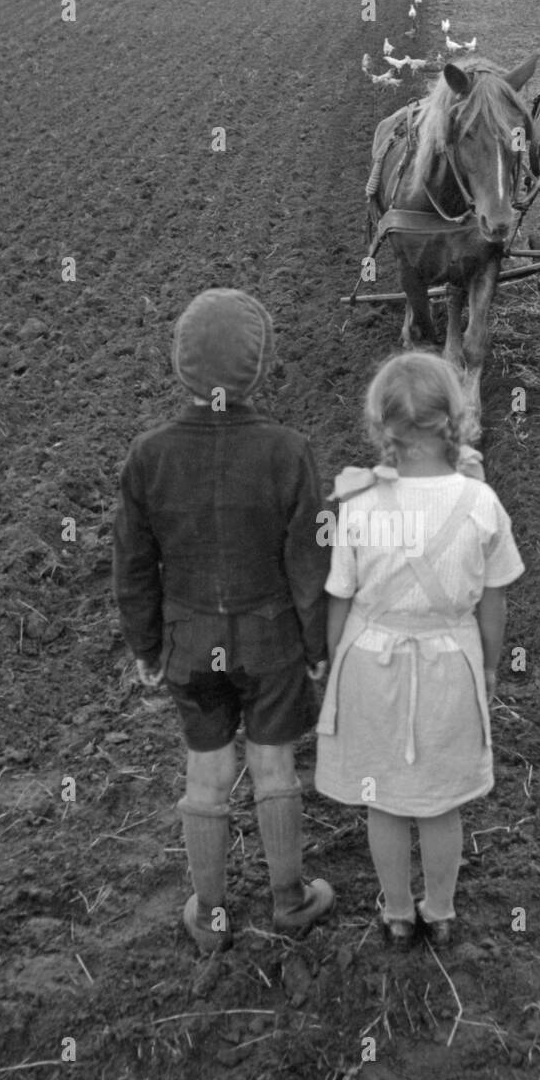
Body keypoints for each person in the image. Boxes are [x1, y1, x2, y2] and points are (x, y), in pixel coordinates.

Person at [112, 288, 334, 955]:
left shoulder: (148, 457)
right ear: (259, 366)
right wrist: (317, 646)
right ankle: (290, 899)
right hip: (271, 645)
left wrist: (146, 647)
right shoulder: (289, 452)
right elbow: (309, 566)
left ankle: (210, 914)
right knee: (275, 770)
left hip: (187, 644)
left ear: (180, 363)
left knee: (205, 776)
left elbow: (132, 566)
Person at [314, 352, 524, 950]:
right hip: (448, 664)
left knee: (383, 801)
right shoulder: (480, 503)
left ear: (382, 427)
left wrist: (334, 667)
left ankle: (399, 914)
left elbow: (339, 596)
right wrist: (487, 667)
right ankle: (443, 908)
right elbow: (493, 600)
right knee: (439, 803)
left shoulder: (357, 504)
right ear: (454, 420)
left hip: (370, 667)